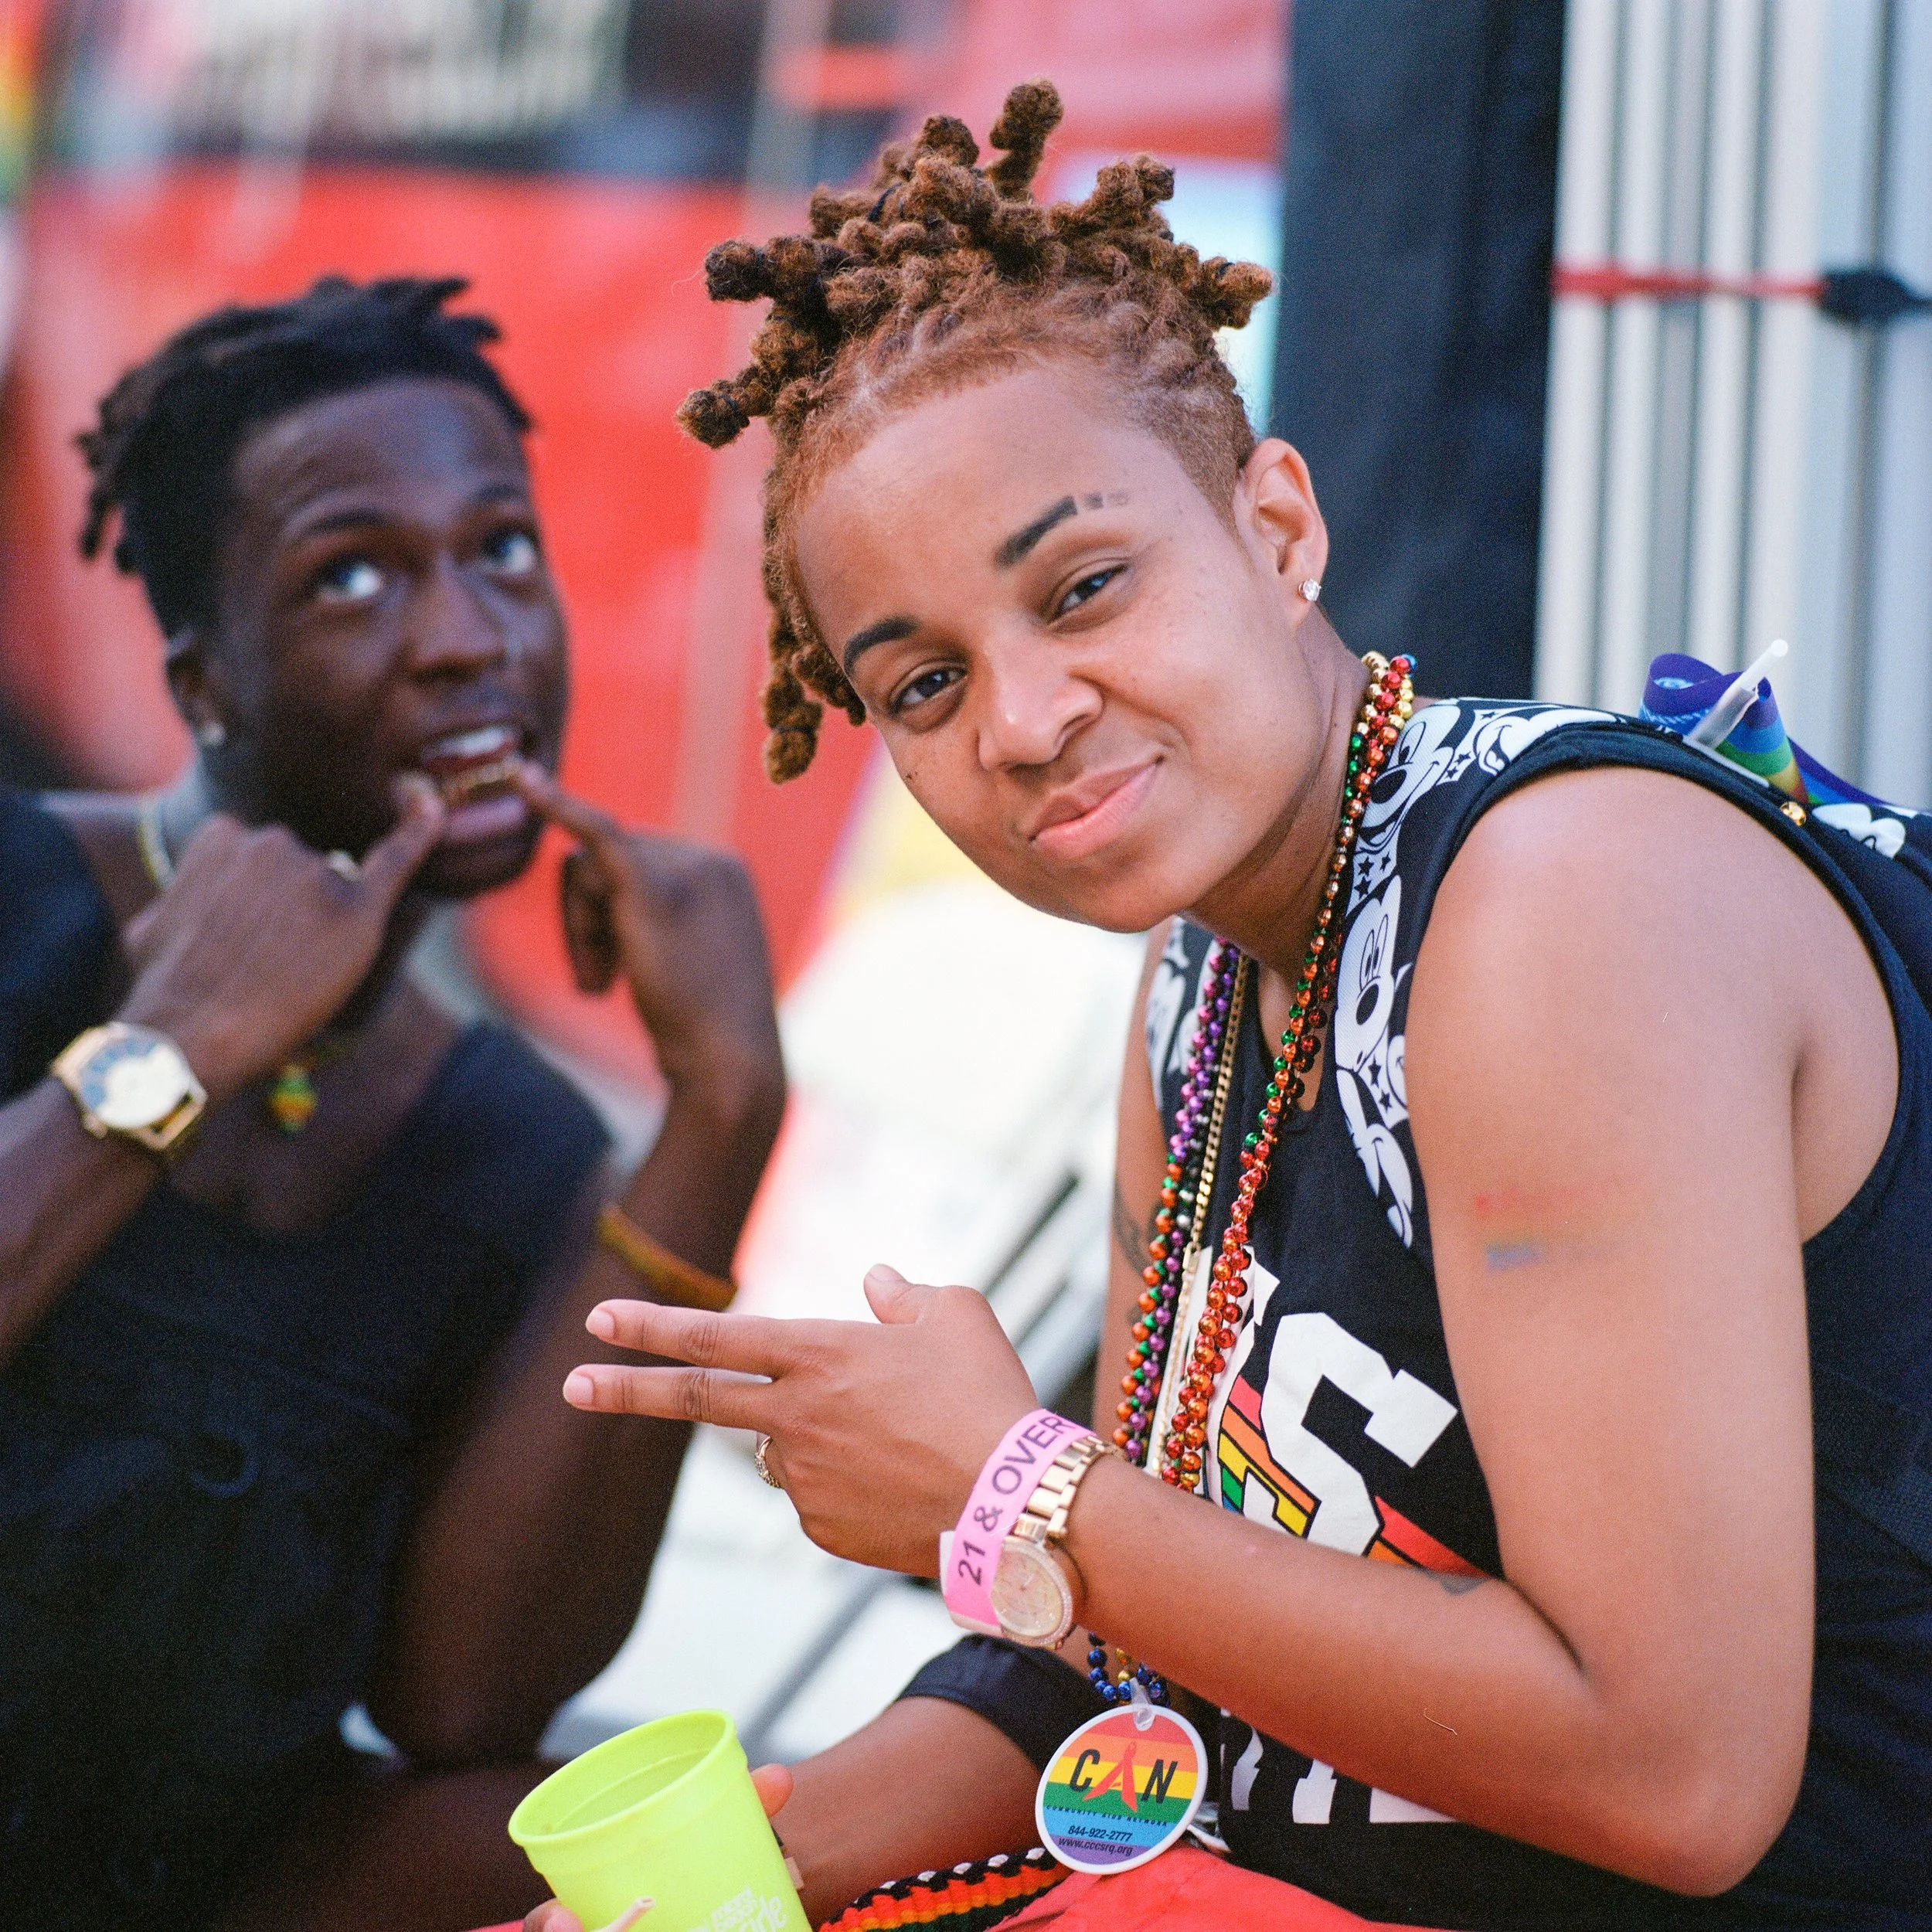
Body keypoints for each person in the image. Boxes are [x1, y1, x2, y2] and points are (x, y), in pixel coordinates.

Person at [528, 84, 1930, 1932]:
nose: (1022, 719)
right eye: (925, 682)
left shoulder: (1552, 910)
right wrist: (773, 1854)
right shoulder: (1201, 972)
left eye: (1083, 584)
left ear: (1277, 531)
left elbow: (1673, 1771)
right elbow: (1139, 1632)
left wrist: (1013, 1486)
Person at [0, 277, 786, 1932]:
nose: (466, 635)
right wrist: (173, 1044)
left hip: (193, 1885)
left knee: (722, 1847)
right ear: (206, 683)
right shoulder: (18, 892)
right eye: (351, 573)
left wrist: (721, 1105)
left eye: (502, 547)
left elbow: (463, 1705)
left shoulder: (512, 1146)